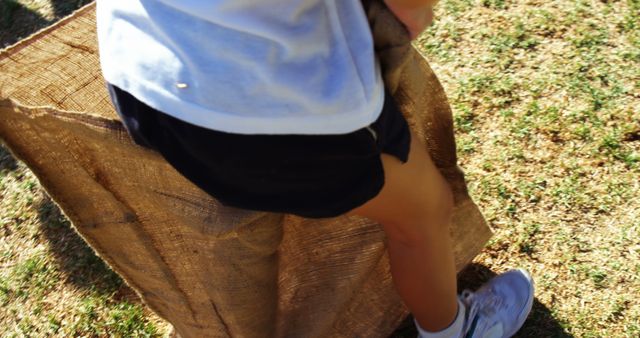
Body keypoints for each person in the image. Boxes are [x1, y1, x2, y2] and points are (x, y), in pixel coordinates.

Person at [96, 0, 534, 337]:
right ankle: (453, 330)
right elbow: (408, 12)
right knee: (424, 212)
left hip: (137, 70)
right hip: (265, 102)